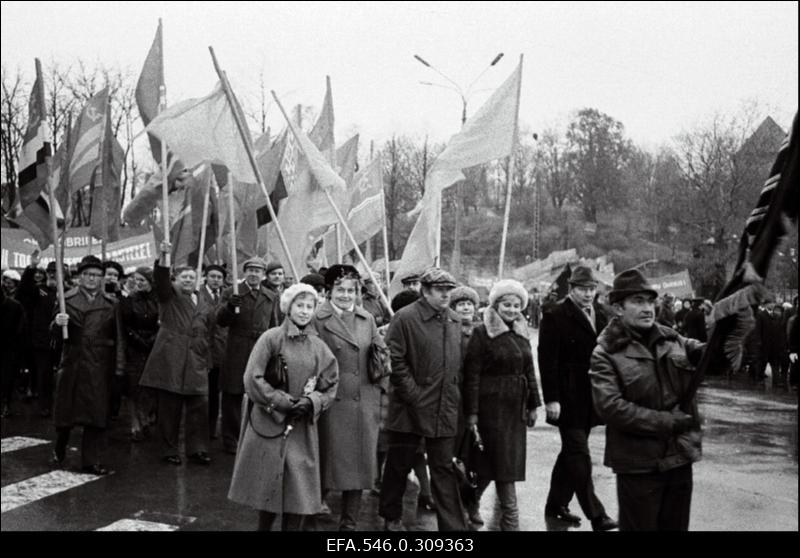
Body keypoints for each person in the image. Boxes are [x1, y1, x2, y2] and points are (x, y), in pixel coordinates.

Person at [589, 269, 756, 531]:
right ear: (618, 309)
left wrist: (728, 328)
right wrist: (667, 422)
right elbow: (610, 407)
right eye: (637, 301)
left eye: (650, 301)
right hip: (638, 466)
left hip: (678, 459)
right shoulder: (606, 352)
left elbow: (711, 360)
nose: (647, 308)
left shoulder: (671, 338)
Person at [228, 283, 339, 531]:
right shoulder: (270, 338)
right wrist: (282, 403)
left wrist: (312, 402)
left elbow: (331, 384)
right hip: (269, 423)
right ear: (288, 308)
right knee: (268, 488)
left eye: (310, 306)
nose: (304, 311)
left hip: (301, 427)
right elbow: (252, 378)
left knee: (298, 490)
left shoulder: (319, 346)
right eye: (300, 305)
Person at [379, 267, 468, 531]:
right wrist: (414, 394)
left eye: (448, 291)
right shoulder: (405, 318)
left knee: (443, 469)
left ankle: (452, 529)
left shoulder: (453, 320)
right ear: (425, 292)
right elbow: (394, 359)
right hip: (410, 407)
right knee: (399, 465)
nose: (445, 295)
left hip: (443, 406)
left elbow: (456, 363)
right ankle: (391, 517)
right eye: (440, 291)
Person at [538, 266, 617, 531]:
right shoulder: (555, 314)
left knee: (571, 454)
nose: (588, 294)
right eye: (582, 289)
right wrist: (552, 399)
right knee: (579, 454)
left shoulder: (603, 315)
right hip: (567, 396)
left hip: (592, 395)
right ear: (571, 289)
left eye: (592, 289)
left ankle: (556, 505)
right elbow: (547, 361)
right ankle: (597, 514)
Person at [313, 265, 386, 531]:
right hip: (331, 401)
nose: (346, 295)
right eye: (340, 289)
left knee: (359, 465)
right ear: (329, 291)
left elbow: (381, 355)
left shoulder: (367, 319)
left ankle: (349, 524)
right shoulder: (317, 319)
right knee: (325, 462)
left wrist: (382, 379)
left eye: (351, 290)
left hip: (364, 401)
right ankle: (311, 513)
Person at [463, 279, 541, 531]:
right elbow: (472, 375)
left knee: (501, 464)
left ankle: (472, 501)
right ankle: (509, 521)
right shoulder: (481, 332)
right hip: (490, 408)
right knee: (497, 465)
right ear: (496, 305)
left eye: (516, 305)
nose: (512, 309)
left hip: (515, 409)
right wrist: (472, 413)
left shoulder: (521, 331)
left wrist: (533, 405)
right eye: (506, 304)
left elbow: (529, 370)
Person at [139, 243, 213, 465]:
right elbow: (160, 279)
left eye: (192, 277)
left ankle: (197, 449)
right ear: (175, 281)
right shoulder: (168, 296)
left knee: (199, 406)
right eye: (184, 277)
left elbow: (212, 324)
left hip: (196, 360)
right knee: (170, 408)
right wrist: (164, 256)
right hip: (172, 358)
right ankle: (168, 449)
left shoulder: (204, 301)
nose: (189, 280)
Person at [51, 255, 124, 475]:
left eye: (97, 275)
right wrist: (57, 323)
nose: (92, 279)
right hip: (73, 362)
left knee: (96, 415)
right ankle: (60, 445)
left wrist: (119, 368)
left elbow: (120, 338)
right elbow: (53, 337)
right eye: (88, 275)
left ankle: (90, 460)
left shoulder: (112, 304)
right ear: (80, 277)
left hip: (99, 365)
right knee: (66, 413)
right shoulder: (66, 300)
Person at [217, 257, 280, 453]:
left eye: (258, 271)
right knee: (233, 393)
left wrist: (275, 351)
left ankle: (253, 436)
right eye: (250, 270)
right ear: (244, 272)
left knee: (257, 393)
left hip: (260, 349)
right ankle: (231, 439)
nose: (254, 274)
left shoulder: (271, 296)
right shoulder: (232, 293)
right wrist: (229, 307)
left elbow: (274, 325)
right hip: (237, 348)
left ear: (263, 275)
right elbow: (221, 321)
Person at [119, 267, 159, 442]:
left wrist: (152, 339)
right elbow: (125, 323)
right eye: (135, 279)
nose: (138, 283)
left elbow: (162, 322)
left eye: (142, 280)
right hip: (134, 348)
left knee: (151, 388)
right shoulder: (129, 300)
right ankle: (136, 424)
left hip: (153, 347)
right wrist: (137, 339)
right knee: (135, 387)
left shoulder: (157, 300)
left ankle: (148, 418)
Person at [198, 264, 228, 439]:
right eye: (212, 276)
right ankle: (200, 428)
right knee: (201, 392)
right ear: (206, 277)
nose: (216, 280)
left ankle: (210, 429)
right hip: (202, 349)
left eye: (219, 277)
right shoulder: (198, 294)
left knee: (215, 392)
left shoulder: (227, 295)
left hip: (220, 351)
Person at [1, 288, 25, 418]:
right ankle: (6, 403)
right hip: (10, 344)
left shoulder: (15, 306)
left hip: (10, 346)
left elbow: (21, 327)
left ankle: (6, 403)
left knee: (7, 377)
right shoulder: (15, 305)